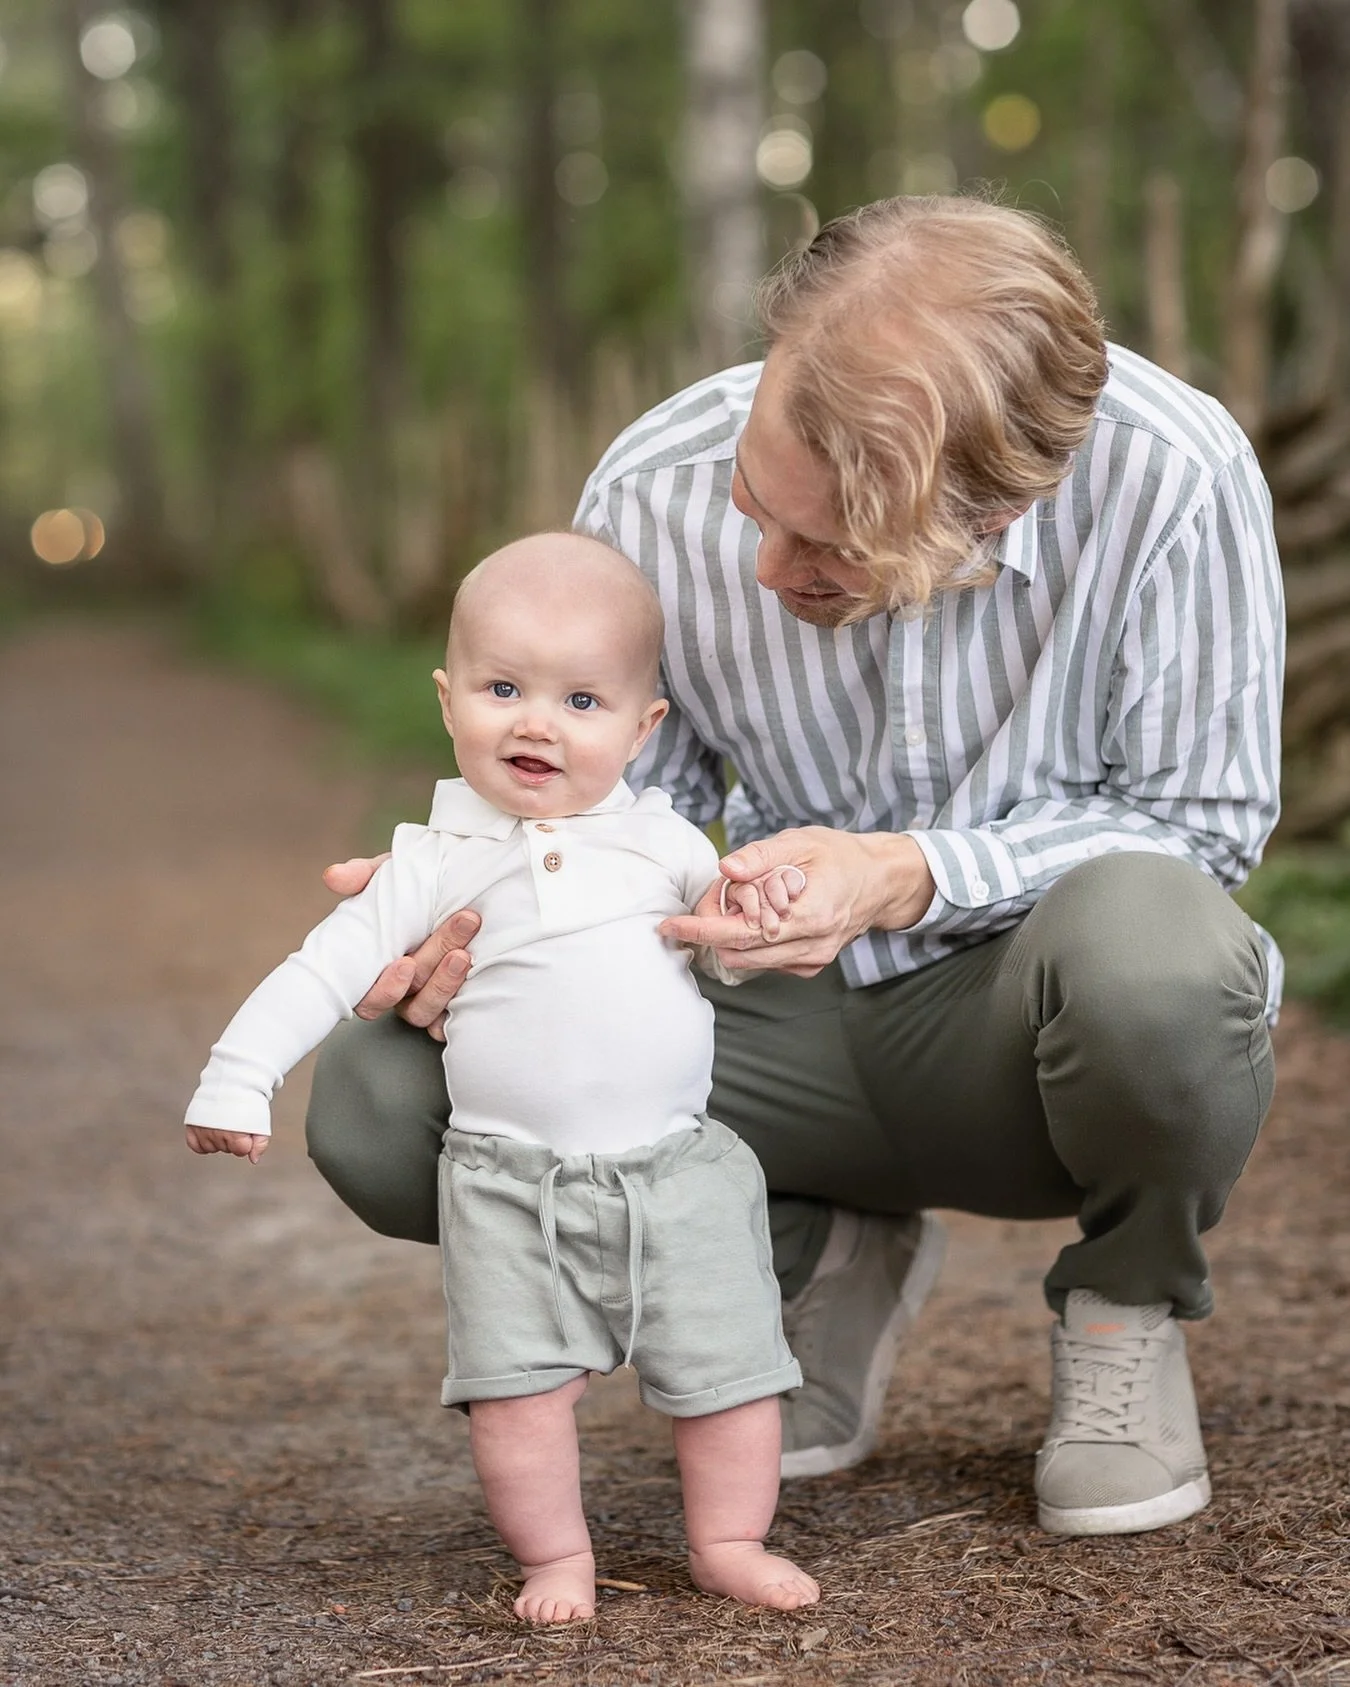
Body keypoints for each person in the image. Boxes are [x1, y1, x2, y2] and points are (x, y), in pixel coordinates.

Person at [309, 194, 1283, 1539]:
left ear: (1000, 508)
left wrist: (907, 871)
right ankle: (793, 1243)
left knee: (1159, 953)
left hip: (1021, 1040)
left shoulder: (1174, 478)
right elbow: (618, 807)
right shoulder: (650, 484)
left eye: (828, 549)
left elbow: (1200, 823)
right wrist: (481, 901)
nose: (767, 565)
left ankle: (1125, 1304)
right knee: (381, 1103)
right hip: (760, 1035)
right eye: (756, 505)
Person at [185, 533, 821, 1622]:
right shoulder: (431, 861)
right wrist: (237, 1077)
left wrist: (755, 911)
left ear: (643, 729)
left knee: (730, 1377)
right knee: (515, 1395)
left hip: (677, 1170)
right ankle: (556, 1556)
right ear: (448, 700)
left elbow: (727, 940)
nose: (537, 723)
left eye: (581, 700)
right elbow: (321, 968)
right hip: (508, 1183)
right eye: (504, 689)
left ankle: (728, 1539)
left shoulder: (665, 840)